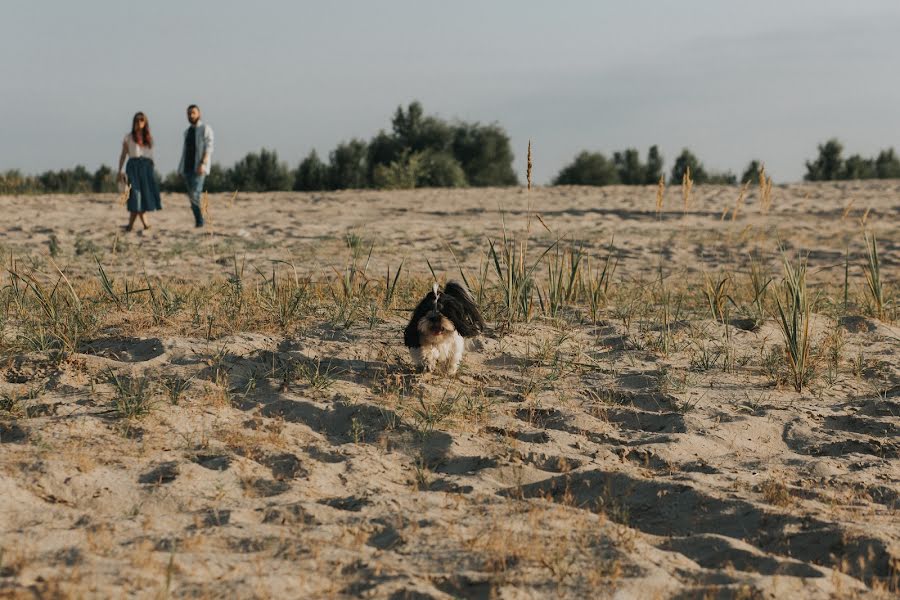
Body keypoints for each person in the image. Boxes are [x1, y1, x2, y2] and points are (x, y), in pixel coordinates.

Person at [117, 111, 162, 231]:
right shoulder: (128, 137)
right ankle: (143, 224)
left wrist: (151, 170)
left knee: (144, 196)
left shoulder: (149, 138)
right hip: (133, 167)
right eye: (137, 120)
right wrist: (119, 170)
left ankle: (132, 225)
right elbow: (123, 155)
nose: (139, 122)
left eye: (142, 120)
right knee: (135, 195)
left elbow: (152, 156)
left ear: (145, 122)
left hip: (147, 168)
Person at [177, 104, 214, 227]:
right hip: (187, 168)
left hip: (199, 168)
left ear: (199, 113)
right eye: (189, 113)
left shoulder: (205, 128)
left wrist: (203, 163)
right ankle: (199, 221)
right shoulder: (186, 132)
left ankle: (200, 222)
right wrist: (180, 169)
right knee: (192, 197)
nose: (191, 115)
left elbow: (209, 148)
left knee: (195, 194)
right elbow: (184, 152)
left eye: (193, 112)